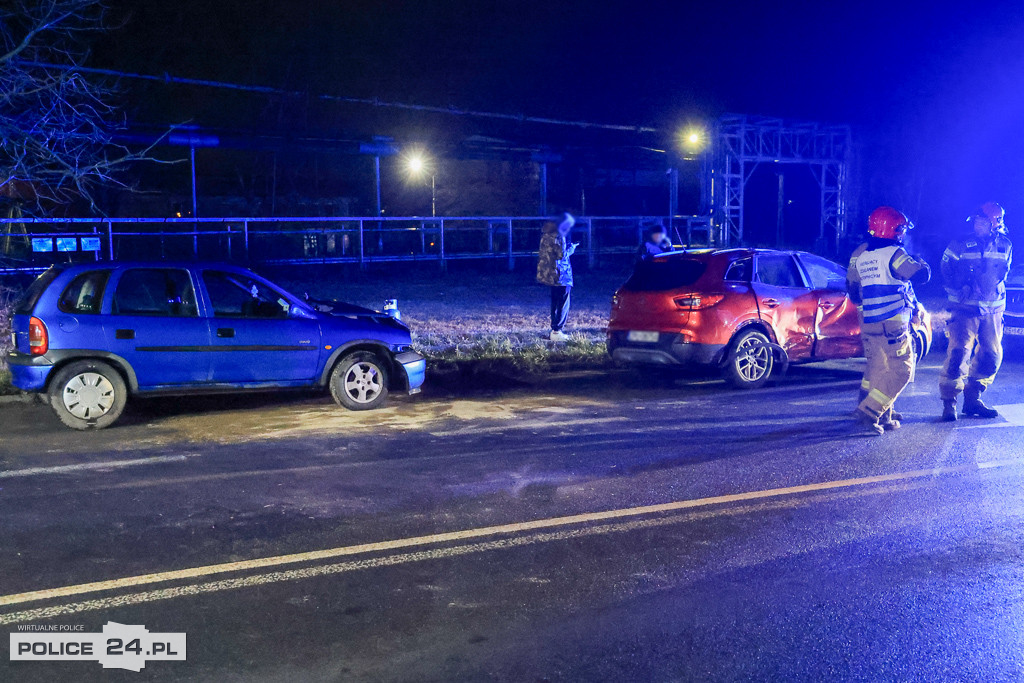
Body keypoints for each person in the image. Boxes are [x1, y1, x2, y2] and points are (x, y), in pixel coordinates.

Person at [847, 206, 931, 435]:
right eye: (901, 229)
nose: (903, 234)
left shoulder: (863, 255)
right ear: (893, 230)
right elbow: (920, 277)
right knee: (902, 370)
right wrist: (922, 262)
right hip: (892, 323)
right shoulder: (895, 253)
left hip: (871, 320)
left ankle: (883, 412)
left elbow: (853, 289)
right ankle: (870, 411)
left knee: (879, 367)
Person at [938, 202, 1012, 421]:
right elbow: (945, 269)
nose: (977, 225)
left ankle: (973, 399)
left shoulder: (1006, 245)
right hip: (963, 310)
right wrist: (961, 285)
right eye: (976, 221)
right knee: (958, 354)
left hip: (993, 311)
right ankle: (949, 403)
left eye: (981, 221)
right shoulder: (959, 243)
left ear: (995, 223)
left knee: (992, 356)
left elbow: (1001, 275)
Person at [536, 213, 577, 341]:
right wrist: (572, 249)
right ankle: (557, 330)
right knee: (563, 302)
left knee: (555, 301)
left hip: (550, 274)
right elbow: (562, 255)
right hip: (562, 274)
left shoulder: (545, 235)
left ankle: (554, 328)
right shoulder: (559, 235)